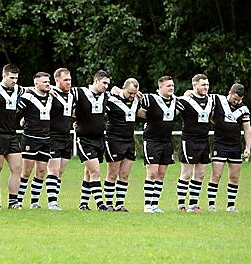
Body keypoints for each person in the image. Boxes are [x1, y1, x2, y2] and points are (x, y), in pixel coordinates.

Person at [207, 84, 251, 212]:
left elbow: (247, 129)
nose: (236, 101)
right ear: (230, 93)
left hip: (235, 146)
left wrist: (248, 147)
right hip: (220, 144)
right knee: (216, 175)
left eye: (239, 100)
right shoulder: (217, 100)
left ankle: (231, 205)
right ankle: (211, 205)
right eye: (235, 98)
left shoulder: (243, 109)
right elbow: (204, 104)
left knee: (234, 177)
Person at [0, 64, 24, 209]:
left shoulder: (18, 90)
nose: (14, 81)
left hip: (12, 134)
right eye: (11, 78)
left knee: (17, 168)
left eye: (16, 78)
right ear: (4, 76)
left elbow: (31, 89)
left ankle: (13, 202)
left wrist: (50, 89)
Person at [139, 76, 178, 213]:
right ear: (160, 87)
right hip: (152, 141)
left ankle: (155, 204)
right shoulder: (151, 99)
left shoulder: (175, 101)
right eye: (168, 86)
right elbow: (135, 104)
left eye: (172, 85)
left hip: (166, 141)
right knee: (152, 173)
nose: (171, 88)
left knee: (161, 174)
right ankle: (147, 205)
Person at [175, 74, 214, 212]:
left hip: (204, 141)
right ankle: (181, 205)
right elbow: (172, 113)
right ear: (194, 85)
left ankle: (193, 204)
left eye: (207, 84)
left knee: (200, 174)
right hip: (189, 141)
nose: (206, 87)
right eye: (203, 85)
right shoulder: (185, 100)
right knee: (186, 174)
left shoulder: (211, 100)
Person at [74, 70, 111, 212]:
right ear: (96, 80)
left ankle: (83, 203)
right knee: (95, 171)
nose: (106, 86)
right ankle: (100, 204)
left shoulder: (105, 96)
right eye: (104, 83)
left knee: (89, 172)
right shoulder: (80, 93)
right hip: (84, 139)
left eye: (108, 83)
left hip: (99, 139)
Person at [16, 72, 52, 209]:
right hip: (30, 139)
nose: (48, 84)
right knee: (26, 171)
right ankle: (18, 201)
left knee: (41, 171)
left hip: (46, 139)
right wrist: (23, 119)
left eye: (48, 82)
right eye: (45, 82)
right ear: (36, 84)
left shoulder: (51, 96)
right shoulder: (27, 97)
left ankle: (34, 202)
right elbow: (15, 111)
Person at [103, 78, 140, 212]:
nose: (132, 96)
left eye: (134, 93)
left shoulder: (136, 101)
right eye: (130, 92)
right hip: (114, 140)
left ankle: (120, 204)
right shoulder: (111, 100)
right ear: (123, 88)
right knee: (112, 174)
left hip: (129, 141)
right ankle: (109, 204)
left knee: (124, 175)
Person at [44, 68, 76, 211]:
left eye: (70, 79)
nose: (69, 82)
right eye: (65, 80)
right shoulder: (50, 93)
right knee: (53, 170)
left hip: (66, 136)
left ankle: (54, 199)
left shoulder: (71, 95)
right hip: (52, 136)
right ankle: (52, 203)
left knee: (60, 171)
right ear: (57, 80)